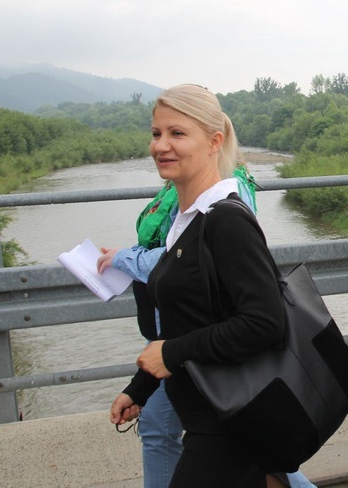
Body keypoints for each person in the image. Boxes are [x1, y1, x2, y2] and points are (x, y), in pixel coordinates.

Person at [108, 83, 291, 487]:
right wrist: (139, 388)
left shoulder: (226, 219)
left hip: (228, 422)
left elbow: (265, 322)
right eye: (157, 133)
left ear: (214, 141)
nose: (161, 146)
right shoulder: (184, 220)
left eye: (177, 133)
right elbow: (185, 321)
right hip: (206, 416)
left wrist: (171, 354)